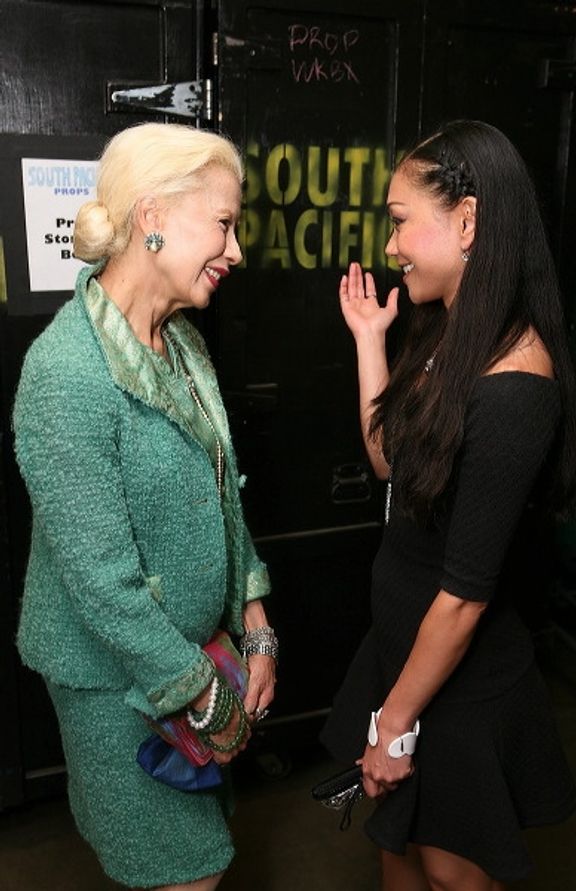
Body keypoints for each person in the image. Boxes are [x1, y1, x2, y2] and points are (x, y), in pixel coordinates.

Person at [13, 122, 278, 891]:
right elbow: (101, 583)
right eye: (224, 223)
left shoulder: (183, 342)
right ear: (152, 216)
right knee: (184, 872)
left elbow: (222, 495)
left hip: (198, 660)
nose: (235, 250)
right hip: (113, 687)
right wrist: (202, 688)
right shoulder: (66, 371)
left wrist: (255, 622)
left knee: (189, 865)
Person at [320, 120, 576, 891]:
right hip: (403, 652)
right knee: (397, 848)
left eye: (401, 220)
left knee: (450, 871)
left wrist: (395, 725)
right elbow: (389, 462)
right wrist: (371, 339)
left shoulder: (516, 385)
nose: (391, 244)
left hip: (458, 682)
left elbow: (465, 597)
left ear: (466, 220)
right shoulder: (446, 335)